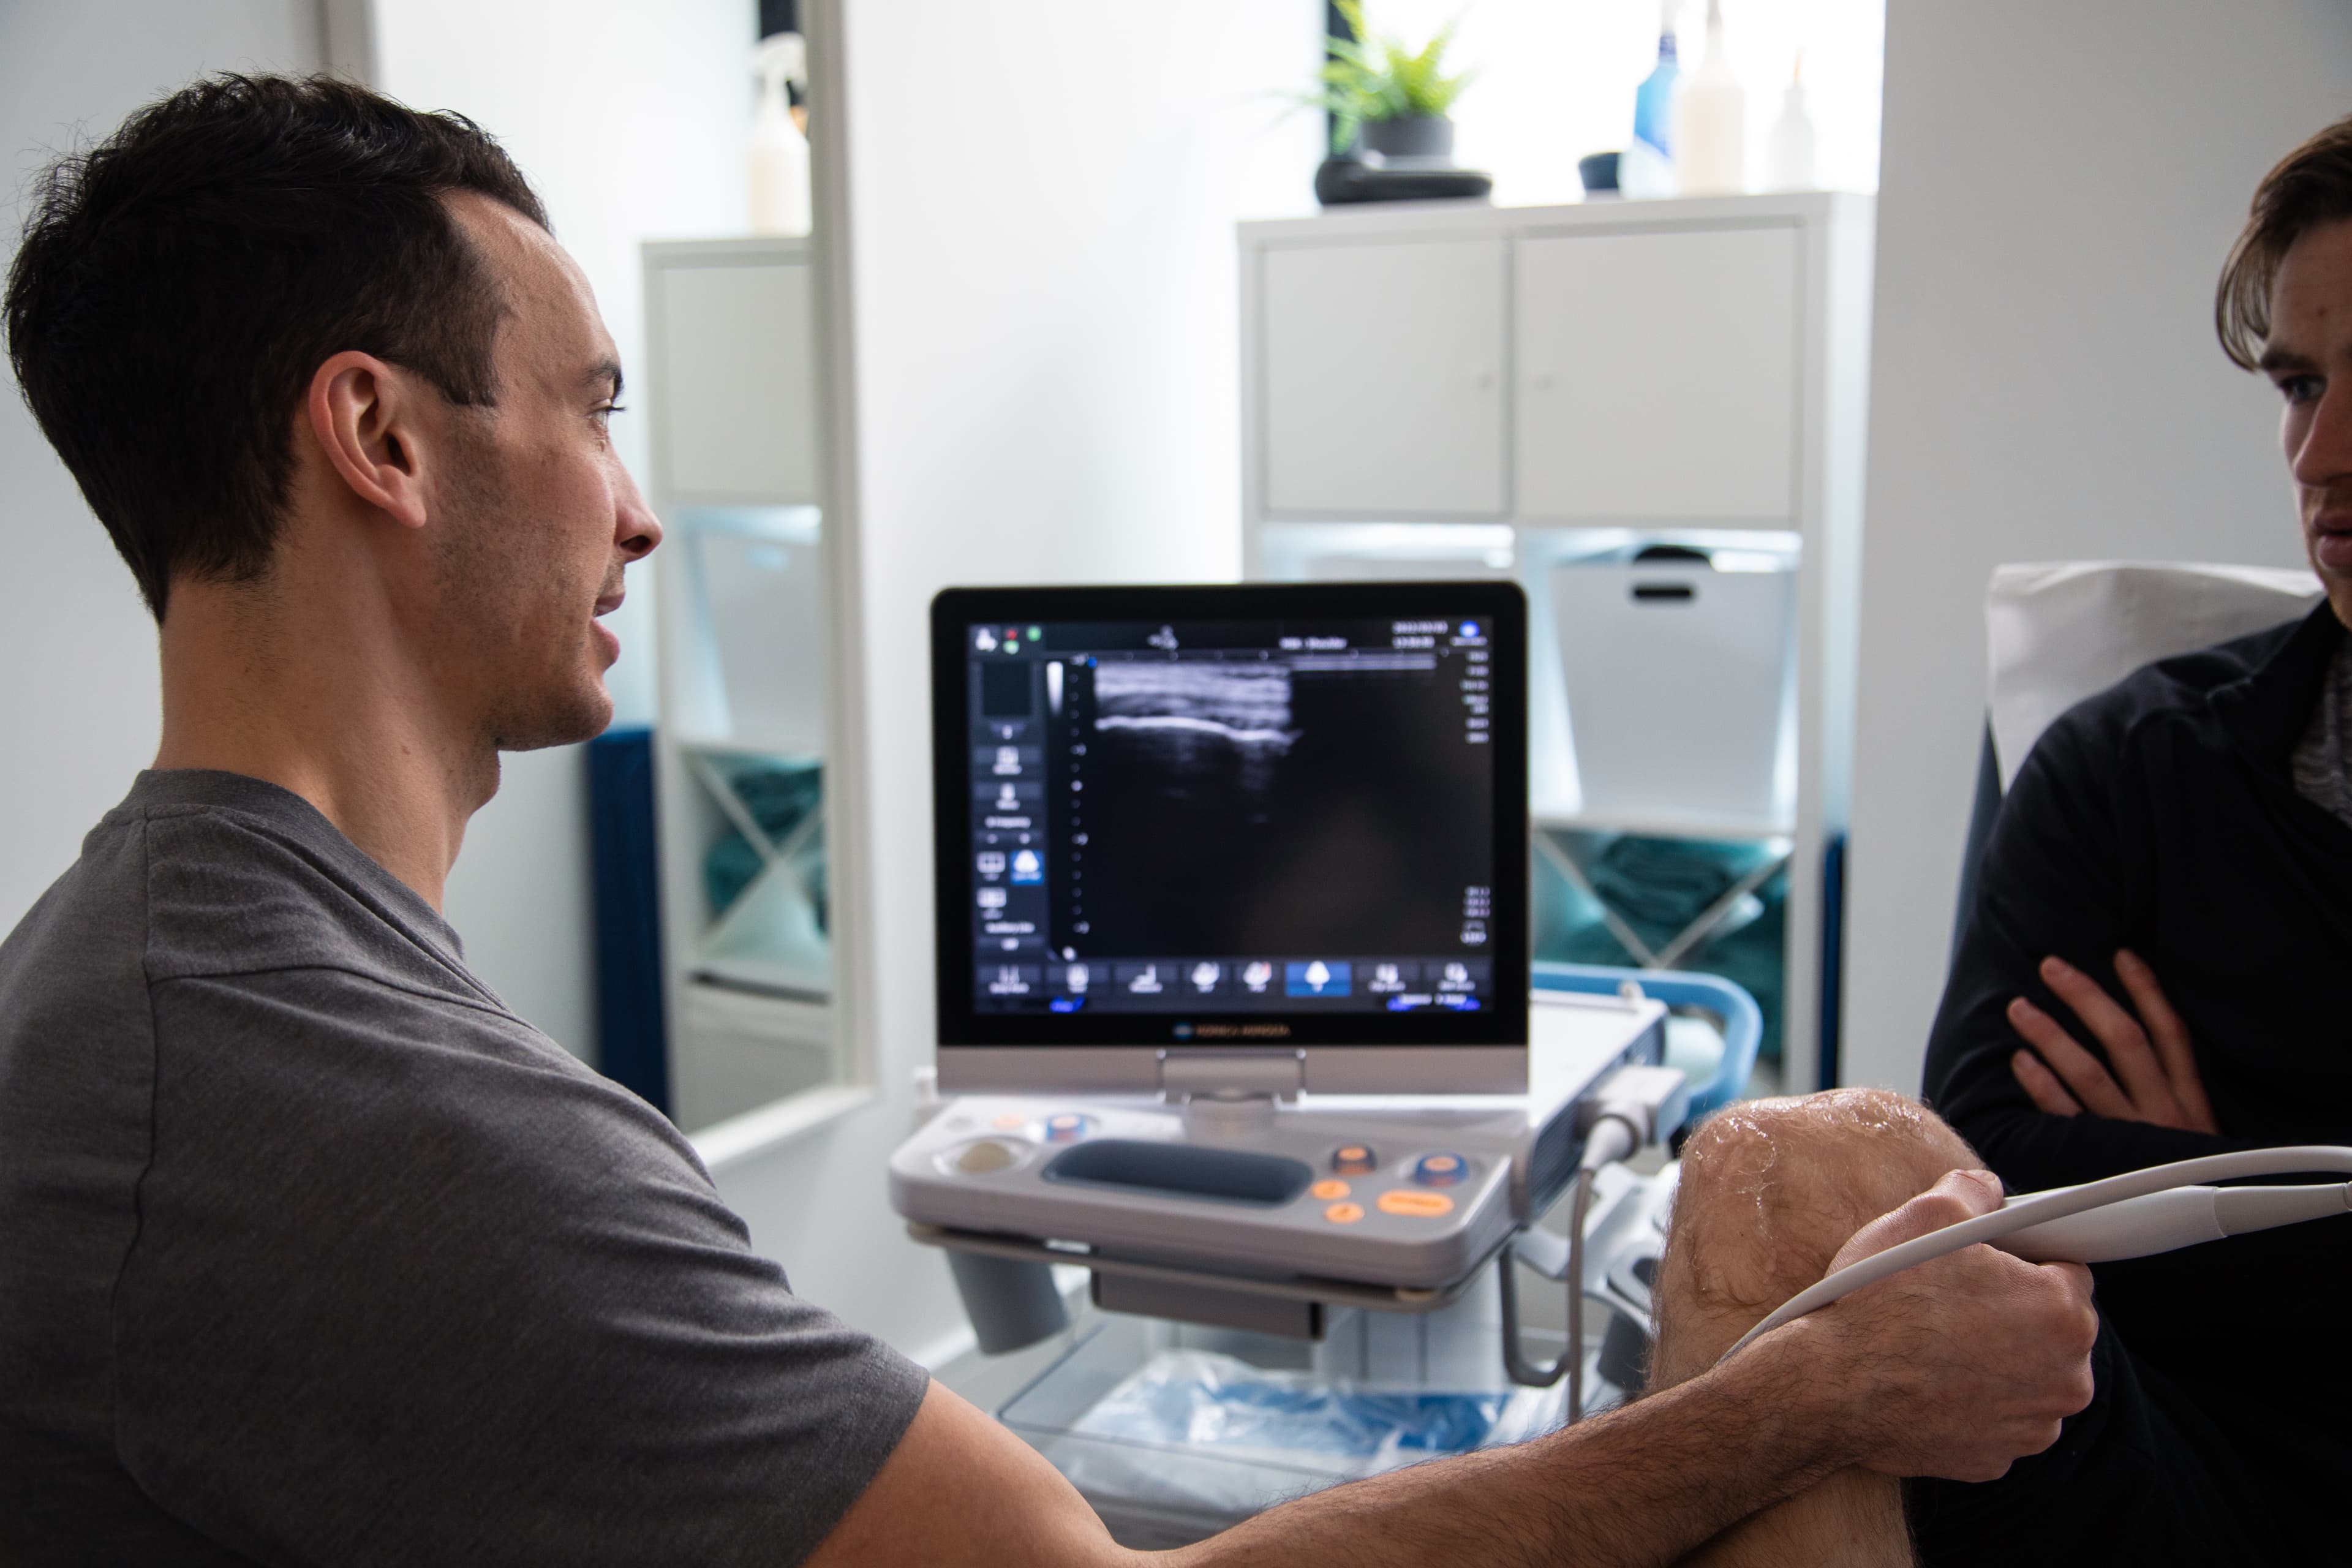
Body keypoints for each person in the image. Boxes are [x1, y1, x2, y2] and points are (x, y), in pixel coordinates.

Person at [0, 75, 2094, 1566]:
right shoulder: (382, 1131)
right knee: (1813, 1181)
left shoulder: (144, 976)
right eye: (593, 407)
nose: (637, 511)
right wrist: (1802, 1400)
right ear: (379, 436)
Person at [1896, 115, 2352, 1566]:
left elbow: (2079, 1196)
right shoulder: (2134, 764)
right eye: (2300, 384)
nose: (2320, 455)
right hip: (2158, 1448)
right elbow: (1981, 1160)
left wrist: (2189, 1182)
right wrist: (2282, 1187)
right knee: (1810, 1193)